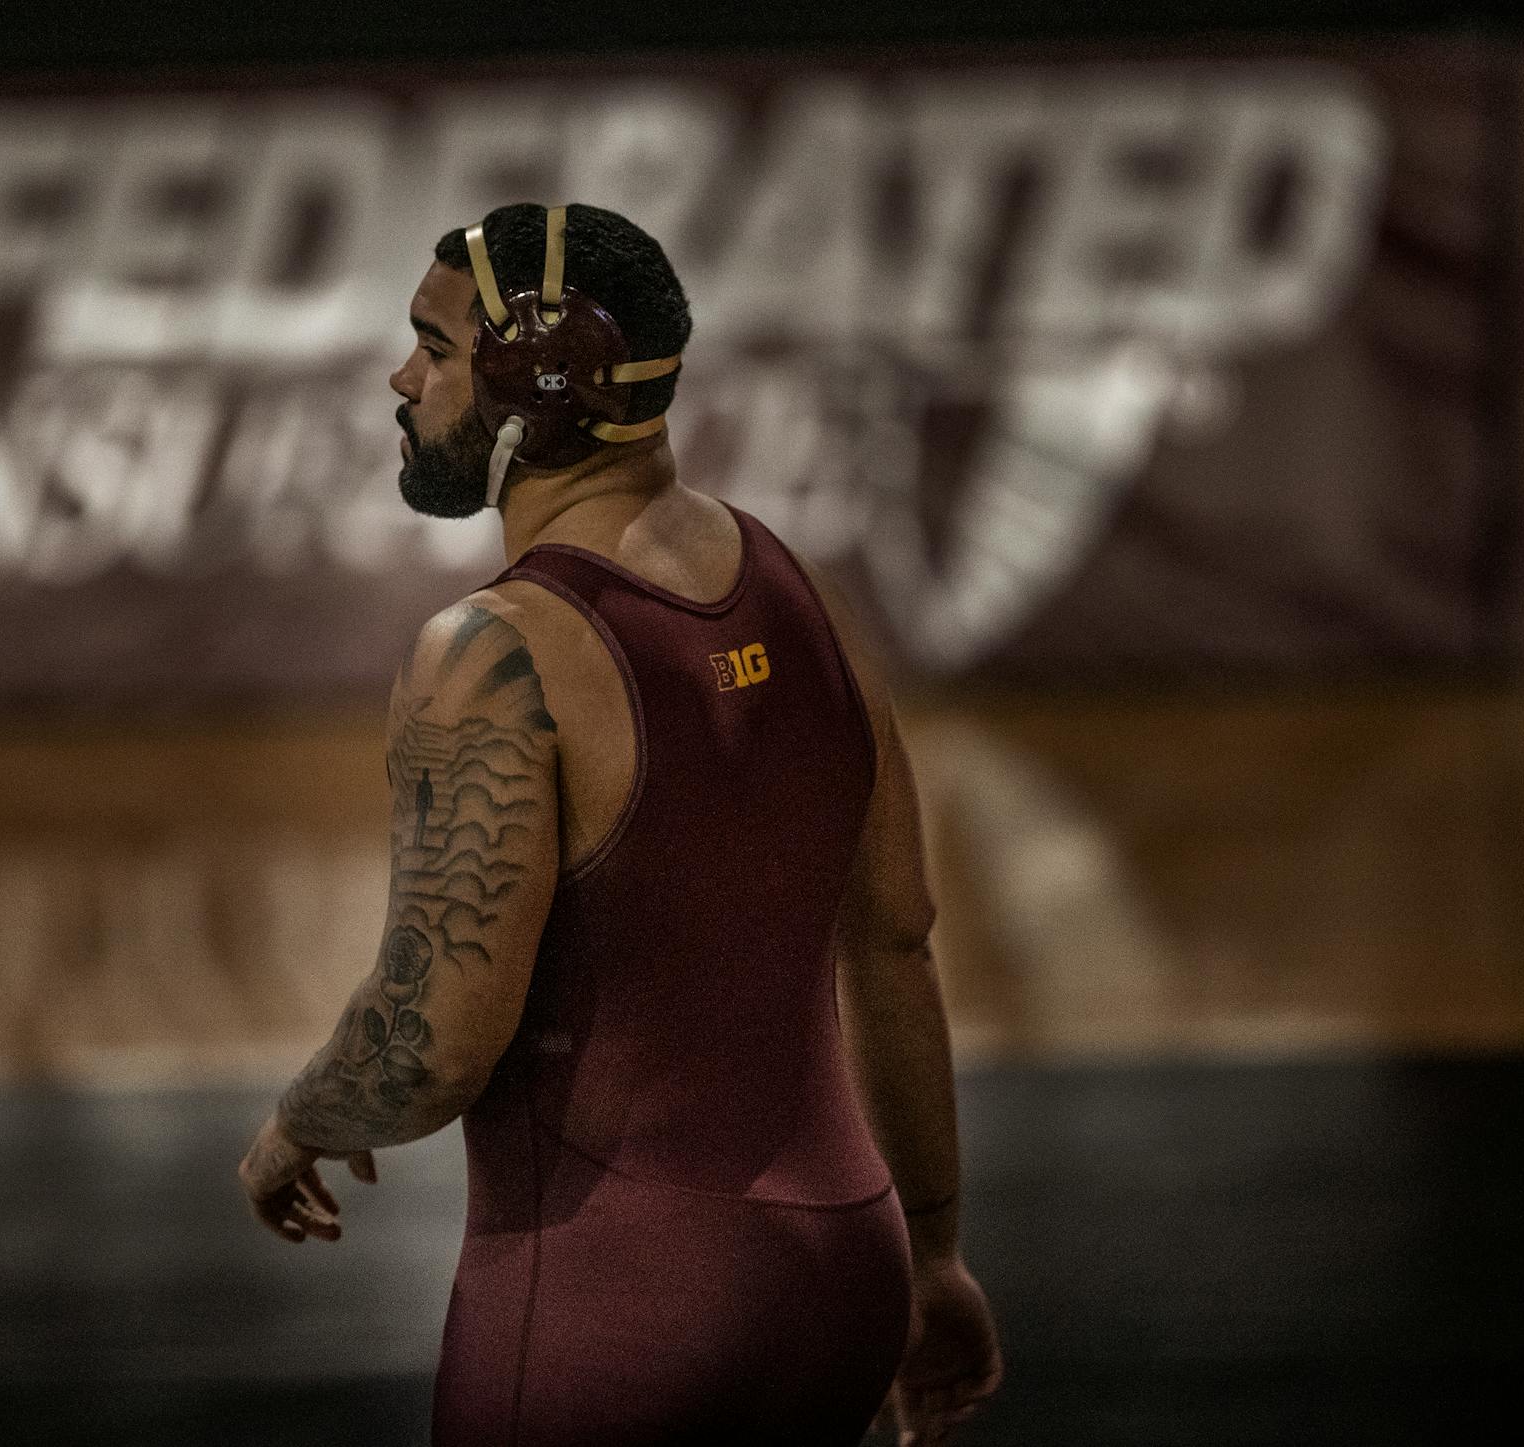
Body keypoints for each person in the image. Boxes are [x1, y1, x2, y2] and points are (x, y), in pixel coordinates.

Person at [238, 202, 1001, 1446]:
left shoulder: (490, 655)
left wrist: (299, 1121)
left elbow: (434, 1046)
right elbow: (897, 943)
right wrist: (935, 1258)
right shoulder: (798, 585)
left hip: (623, 1317)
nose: (402, 377)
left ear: (535, 386)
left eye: (433, 348)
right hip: (846, 1275)